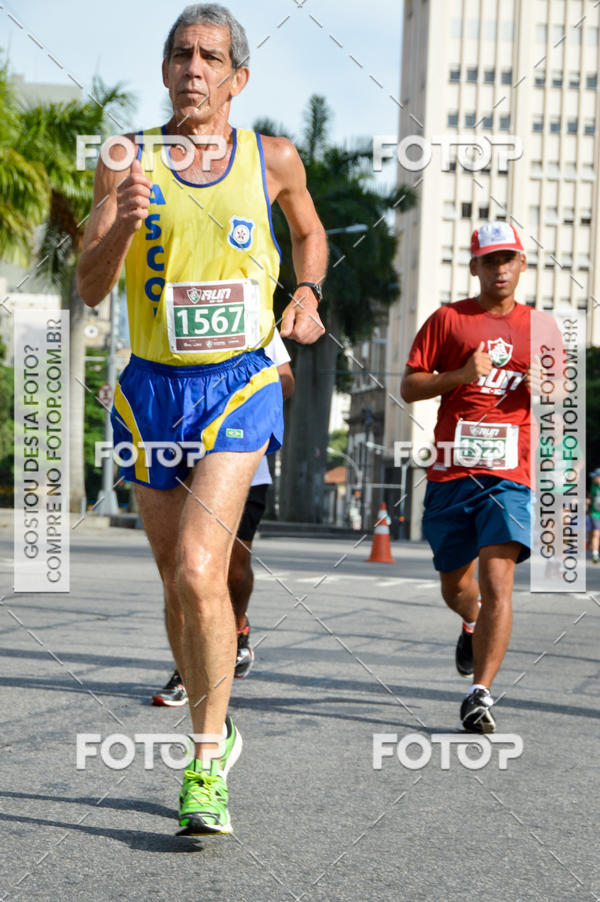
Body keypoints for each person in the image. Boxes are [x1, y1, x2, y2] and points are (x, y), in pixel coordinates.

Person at [76, 3, 327, 835]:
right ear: (164, 69)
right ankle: (213, 709)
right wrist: (123, 224)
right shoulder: (125, 159)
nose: (194, 67)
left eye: (210, 56)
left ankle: (206, 760)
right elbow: (88, 285)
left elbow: (311, 234)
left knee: (196, 568)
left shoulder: (273, 157)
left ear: (237, 78)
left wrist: (306, 292)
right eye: (181, 53)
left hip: (238, 382)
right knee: (176, 587)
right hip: (150, 390)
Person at [401, 221, 547, 734]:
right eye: (490, 260)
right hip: (450, 472)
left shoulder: (542, 329)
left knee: (498, 580)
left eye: (508, 258)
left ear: (522, 264)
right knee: (456, 584)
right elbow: (411, 386)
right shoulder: (448, 320)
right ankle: (470, 622)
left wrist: (548, 386)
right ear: (474, 267)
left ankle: (480, 693)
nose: (500, 268)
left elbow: (565, 401)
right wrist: (461, 376)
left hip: (509, 474)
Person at [153, 331, 294, 705]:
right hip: (180, 458)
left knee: (234, 567)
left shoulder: (253, 315)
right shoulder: (170, 310)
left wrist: (245, 389)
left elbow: (287, 380)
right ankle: (187, 672)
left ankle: (239, 627)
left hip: (242, 460)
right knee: (188, 569)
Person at [588, 469, 600, 563]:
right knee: (596, 533)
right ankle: (595, 554)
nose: (593, 478)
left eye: (595, 476)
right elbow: (590, 498)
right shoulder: (593, 486)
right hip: (595, 513)